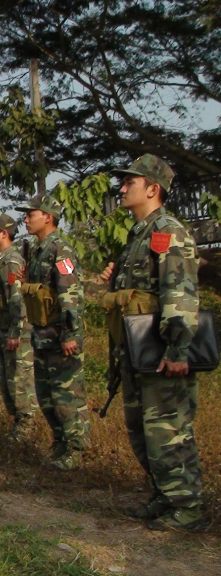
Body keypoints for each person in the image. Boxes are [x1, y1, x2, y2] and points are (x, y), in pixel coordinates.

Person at [100, 154, 206, 531]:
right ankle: (165, 494)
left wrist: (179, 350)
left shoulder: (166, 230)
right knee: (141, 429)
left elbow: (179, 292)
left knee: (167, 429)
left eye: (130, 181)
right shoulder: (138, 235)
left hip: (161, 352)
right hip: (136, 351)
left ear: (153, 188)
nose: (123, 187)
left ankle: (189, 507)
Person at [18, 196, 90, 470]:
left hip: (61, 339)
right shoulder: (37, 251)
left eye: (31, 214)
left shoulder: (61, 249)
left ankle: (77, 449)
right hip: (42, 337)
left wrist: (70, 334)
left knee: (67, 396)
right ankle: (60, 445)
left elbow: (70, 294)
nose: (26, 219)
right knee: (47, 397)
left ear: (48, 216)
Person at [0, 212, 37, 438]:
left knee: (19, 381)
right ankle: (17, 425)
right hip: (1, 330)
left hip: (14, 333)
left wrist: (16, 331)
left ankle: (26, 428)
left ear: (4, 234)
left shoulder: (11, 260)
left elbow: (17, 299)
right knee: (6, 382)